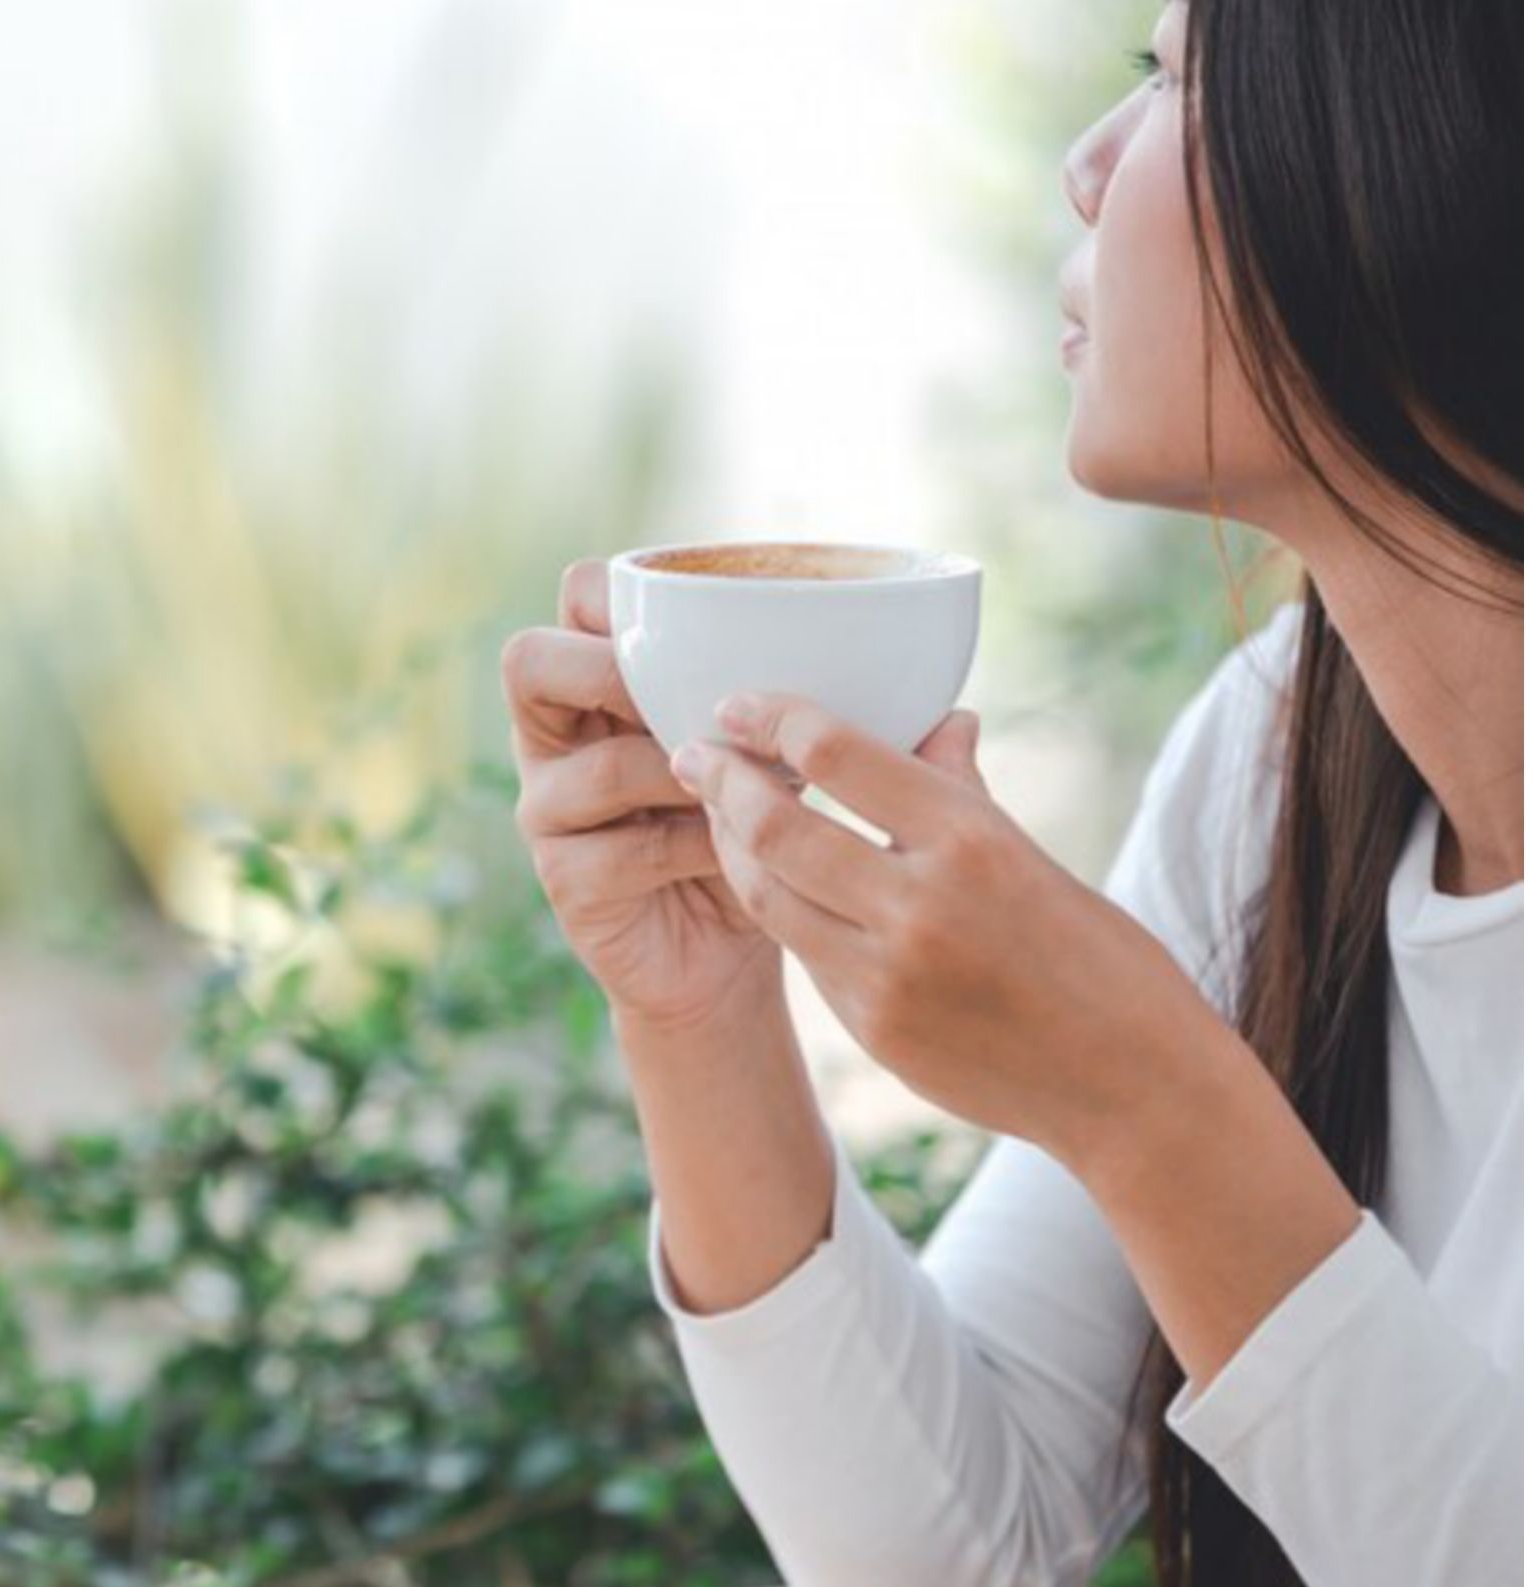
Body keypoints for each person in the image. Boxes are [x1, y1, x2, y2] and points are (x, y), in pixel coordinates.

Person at [497, 2, 1522, 1583]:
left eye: (1174, 81)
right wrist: (698, 1012)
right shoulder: (1278, 756)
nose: (1085, 166)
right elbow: (950, 1550)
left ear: (1421, 151)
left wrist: (1138, 1097)